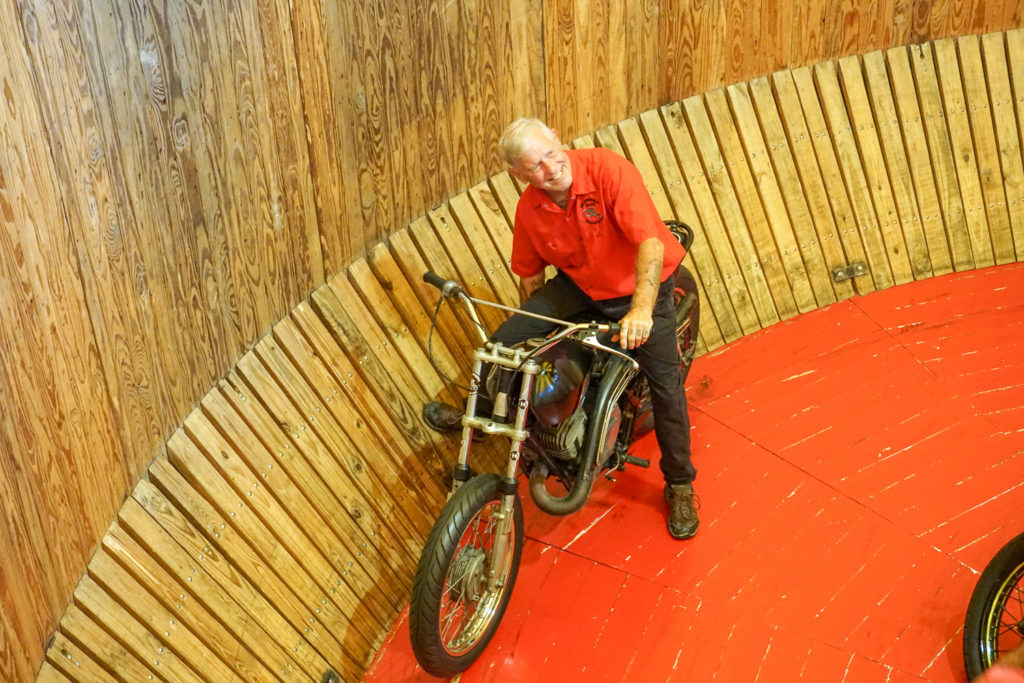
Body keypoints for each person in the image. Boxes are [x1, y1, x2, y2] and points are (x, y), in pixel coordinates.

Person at [423, 118, 699, 540]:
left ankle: (680, 484)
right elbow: (530, 276)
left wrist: (642, 310)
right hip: (581, 289)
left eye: (551, 153)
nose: (550, 169)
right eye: (535, 167)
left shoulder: (607, 169)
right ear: (518, 175)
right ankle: (478, 419)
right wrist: (533, 331)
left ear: (557, 138)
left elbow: (650, 244)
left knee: (666, 387)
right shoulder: (529, 210)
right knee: (505, 343)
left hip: (642, 286)